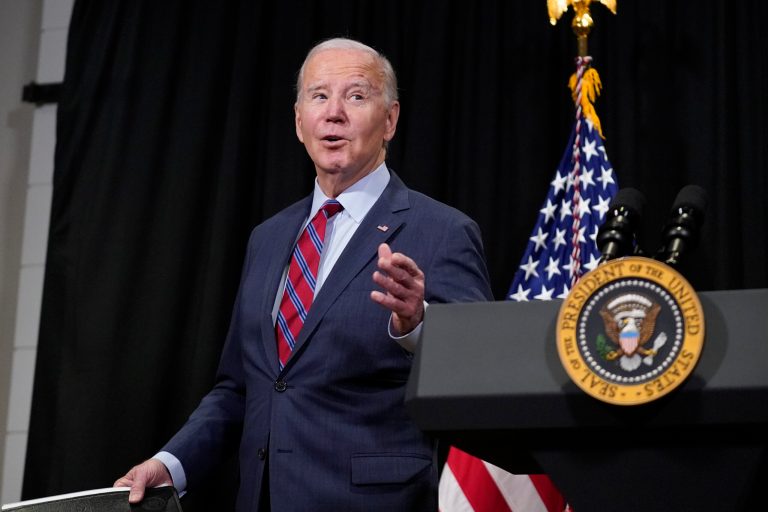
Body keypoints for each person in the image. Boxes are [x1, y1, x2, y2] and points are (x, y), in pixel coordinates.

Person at [115, 37, 492, 511]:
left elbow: (479, 375)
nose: (334, 112)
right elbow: (241, 387)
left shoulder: (442, 231)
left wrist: (418, 326)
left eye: (356, 95)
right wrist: (171, 464)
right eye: (318, 96)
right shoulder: (267, 238)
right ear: (299, 121)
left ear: (390, 119)